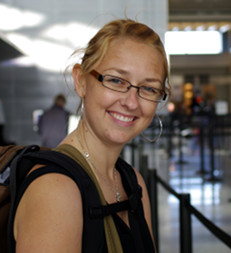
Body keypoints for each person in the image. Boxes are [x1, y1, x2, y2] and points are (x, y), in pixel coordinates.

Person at [13, 19, 170, 253]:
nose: (131, 102)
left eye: (148, 88)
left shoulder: (132, 181)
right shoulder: (56, 191)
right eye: (116, 80)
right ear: (81, 81)